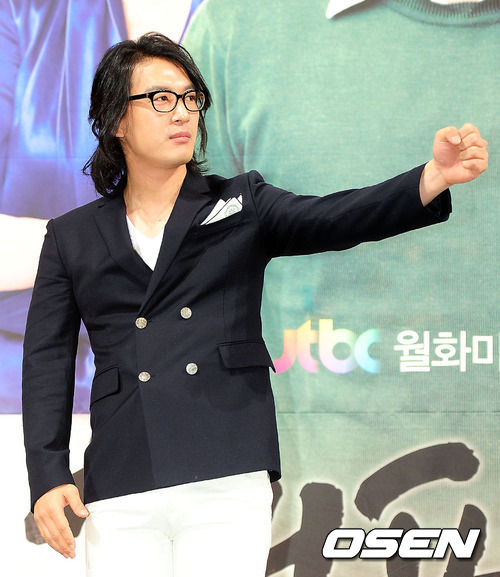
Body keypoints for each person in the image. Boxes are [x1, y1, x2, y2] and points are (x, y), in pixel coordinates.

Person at [22, 32, 487, 577]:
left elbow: (335, 217)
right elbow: (48, 359)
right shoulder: (71, 235)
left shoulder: (240, 202)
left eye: (191, 98)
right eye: (161, 98)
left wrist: (431, 178)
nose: (183, 112)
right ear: (116, 120)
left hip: (225, 462)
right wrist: (48, 474)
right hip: (122, 469)